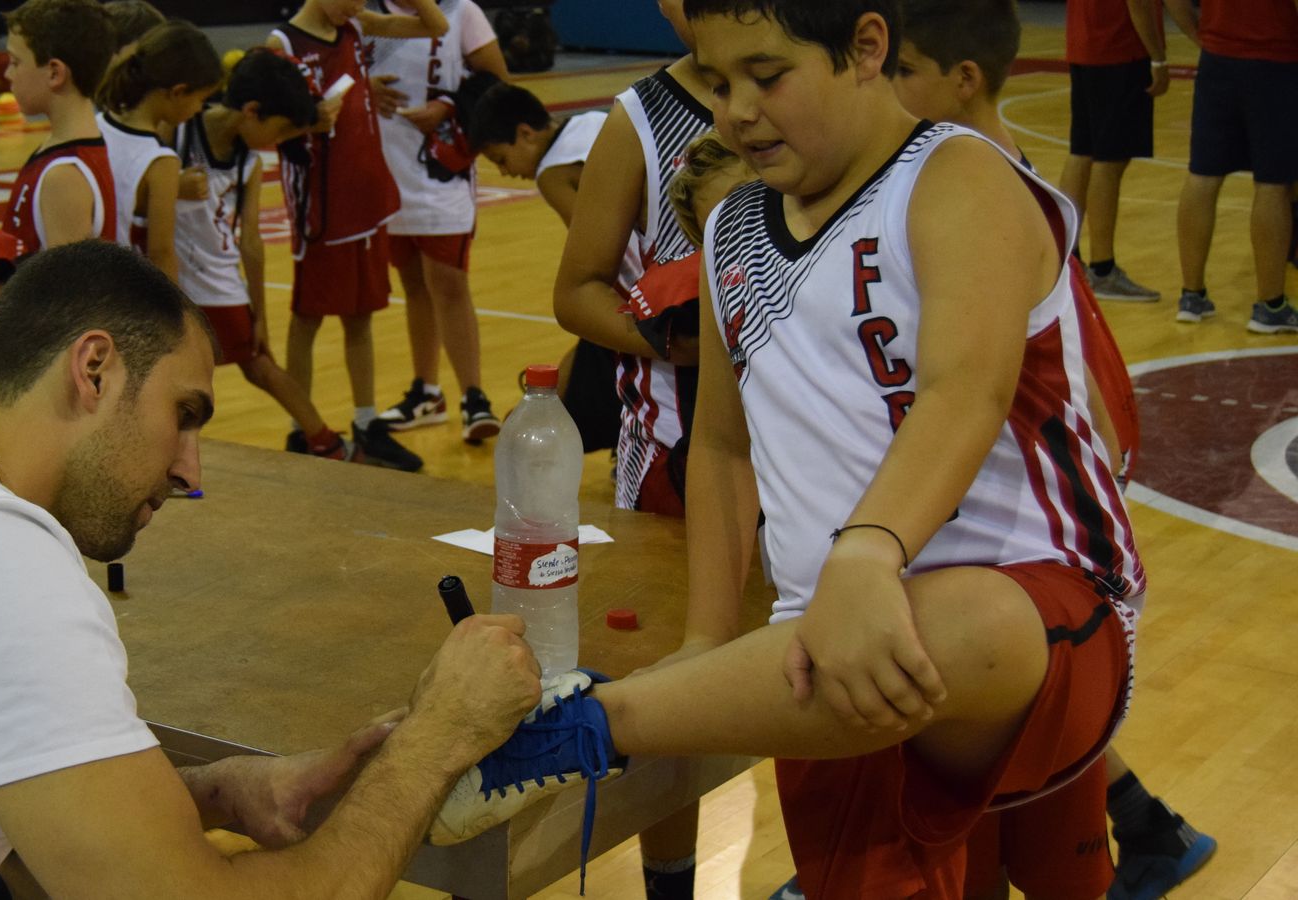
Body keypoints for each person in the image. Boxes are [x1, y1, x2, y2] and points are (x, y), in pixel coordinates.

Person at [440, 3, 1145, 898]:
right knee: (842, 690)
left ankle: (577, 732)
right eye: (718, 79)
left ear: (865, 47)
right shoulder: (734, 223)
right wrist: (704, 637)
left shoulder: (958, 175)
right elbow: (725, 449)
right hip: (819, 655)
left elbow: (967, 389)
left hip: (1037, 616)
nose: (735, 109)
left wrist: (868, 551)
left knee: (955, 622)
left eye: (767, 76)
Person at [0, 239, 545, 899]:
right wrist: (437, 738)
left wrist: (205, 794)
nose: (191, 471)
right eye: (184, 416)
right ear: (94, 368)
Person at [880, 3, 1217, 897]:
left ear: (962, 78)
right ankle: (1148, 822)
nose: (881, 89)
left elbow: (995, 377)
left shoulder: (975, 185)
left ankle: (1133, 829)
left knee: (1008, 708)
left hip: (1053, 497)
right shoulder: (960, 172)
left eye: (900, 70)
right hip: (1045, 474)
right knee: (998, 721)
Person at [268, 0, 449, 472]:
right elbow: (266, 125)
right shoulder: (283, 44)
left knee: (362, 314)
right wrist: (310, 120)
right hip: (322, 203)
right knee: (307, 316)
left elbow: (435, 24)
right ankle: (301, 427)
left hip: (367, 191)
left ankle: (366, 425)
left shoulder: (353, 25)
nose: (357, 4)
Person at [553, 0, 711, 526]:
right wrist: (673, 341)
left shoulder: (821, 99)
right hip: (678, 443)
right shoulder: (640, 118)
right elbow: (577, 292)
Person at [172, 48, 357, 460]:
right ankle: (323, 438)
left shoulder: (249, 161)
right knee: (186, 374)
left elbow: (251, 243)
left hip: (218, 278)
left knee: (258, 363)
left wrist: (260, 314)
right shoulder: (178, 132)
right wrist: (171, 186)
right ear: (252, 111)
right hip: (175, 275)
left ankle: (324, 439)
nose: (279, 141)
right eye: (279, 129)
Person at [367, 0, 508, 445]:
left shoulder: (461, 11)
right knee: (412, 285)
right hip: (384, 171)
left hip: (438, 173)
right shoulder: (364, 12)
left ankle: (473, 395)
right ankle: (426, 391)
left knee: (449, 284)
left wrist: (448, 105)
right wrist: (364, 88)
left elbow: (497, 83)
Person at [470, 80, 630, 457]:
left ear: (525, 133)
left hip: (645, 280)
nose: (506, 173)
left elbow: (595, 252)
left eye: (500, 159)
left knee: (598, 346)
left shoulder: (552, 172)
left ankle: (538, 432)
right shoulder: (592, 122)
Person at [1166, 0, 1298, 333]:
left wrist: (1201, 36)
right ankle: (1271, 305)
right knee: (1273, 182)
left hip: (1217, 59)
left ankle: (1191, 296)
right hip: (1277, 60)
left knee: (1203, 175)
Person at [1054, 0, 1168, 302]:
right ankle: (1103, 269)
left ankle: (1067, 258)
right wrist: (1158, 57)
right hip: (1120, 49)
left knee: (1083, 150)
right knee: (1109, 159)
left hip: (1085, 44)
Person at [95, 18, 221, 284]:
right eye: (200, 99)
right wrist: (173, 320)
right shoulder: (161, 162)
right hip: (121, 293)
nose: (200, 109)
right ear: (178, 92)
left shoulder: (94, 126)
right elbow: (161, 254)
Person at [1, 0, 118, 256]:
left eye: (15, 62)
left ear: (55, 73)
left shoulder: (64, 176)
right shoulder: (63, 152)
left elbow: (67, 294)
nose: (7, 73)